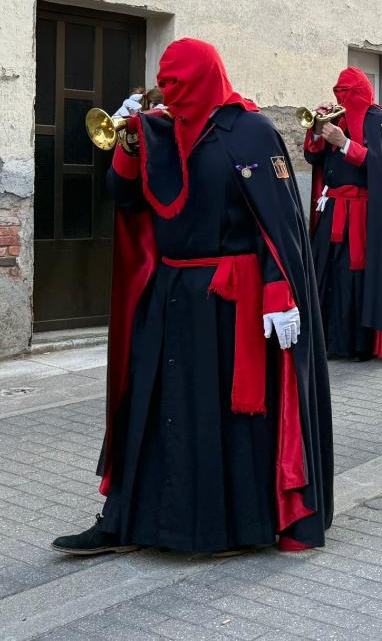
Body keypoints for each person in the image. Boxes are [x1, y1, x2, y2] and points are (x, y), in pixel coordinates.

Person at [52, 38, 334, 556]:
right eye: (167, 81)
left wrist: (278, 288)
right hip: (170, 291)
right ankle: (124, 520)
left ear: (204, 77)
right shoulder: (161, 131)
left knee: (221, 417)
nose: (172, 92)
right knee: (150, 405)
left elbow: (277, 224)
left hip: (231, 301)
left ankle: (224, 526)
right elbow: (127, 199)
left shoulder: (251, 131)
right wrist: (129, 152)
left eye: (181, 82)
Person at [305, 68, 382, 359]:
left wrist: (345, 143)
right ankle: (326, 340)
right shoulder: (336, 119)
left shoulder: (377, 120)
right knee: (324, 270)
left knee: (355, 276)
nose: (340, 98)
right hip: (334, 208)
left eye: (346, 92)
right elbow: (314, 158)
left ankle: (358, 344)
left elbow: (380, 165)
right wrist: (316, 132)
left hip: (364, 213)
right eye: (337, 91)